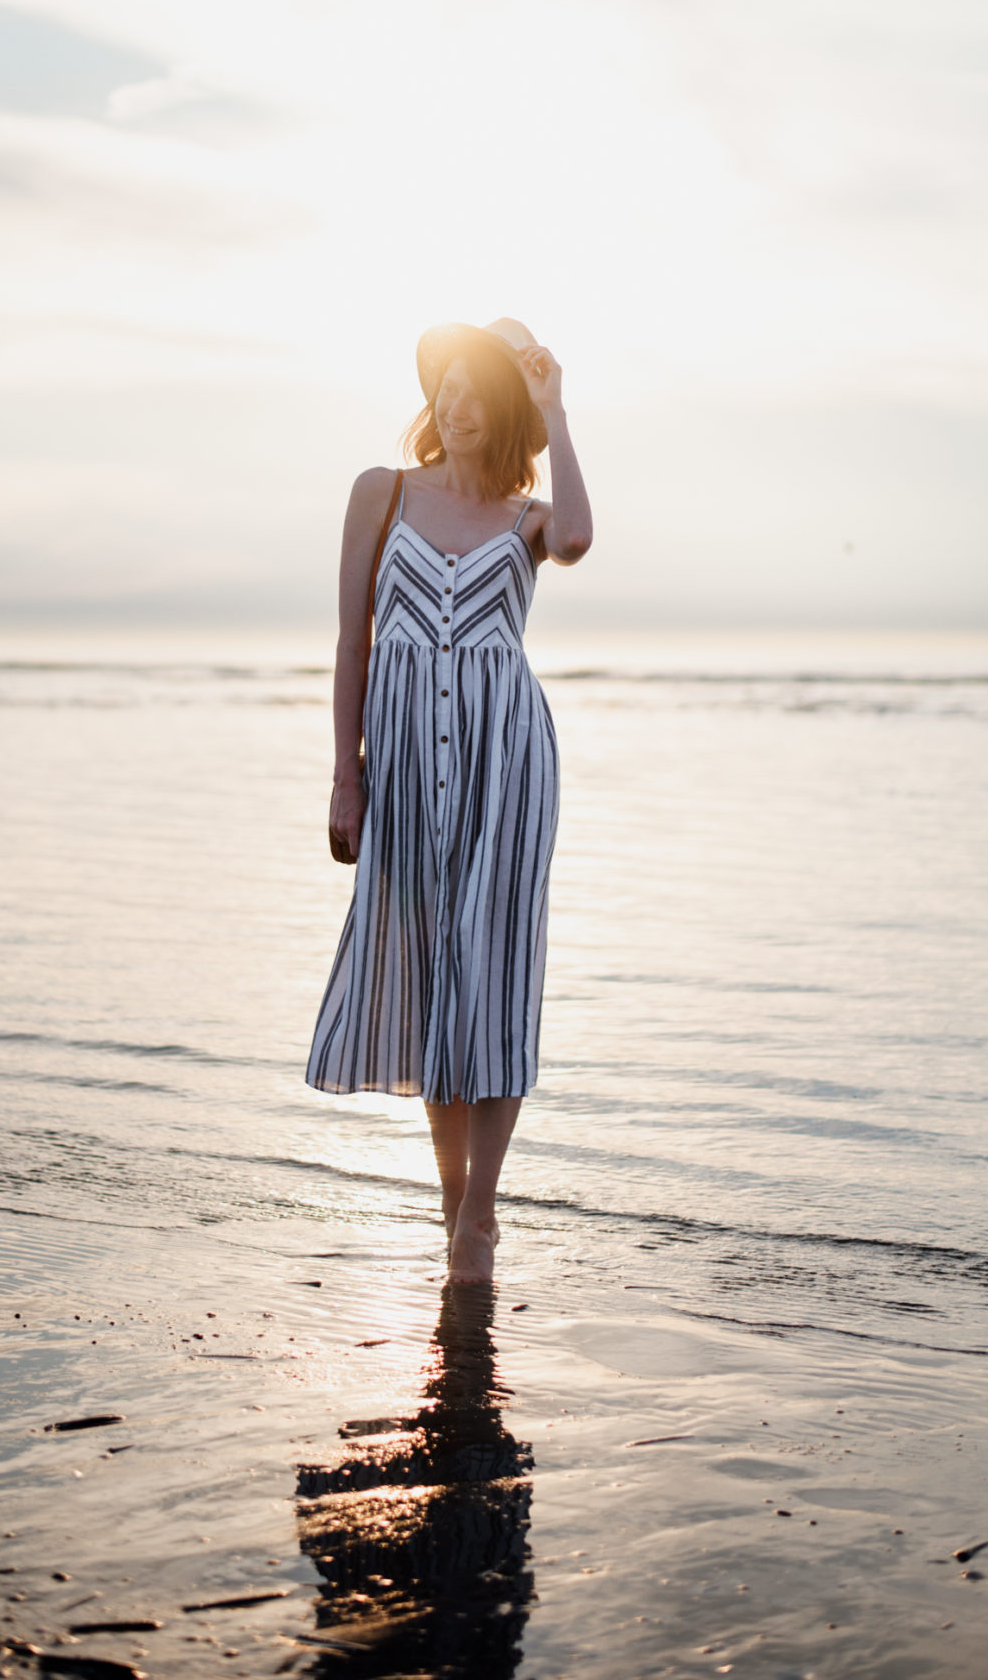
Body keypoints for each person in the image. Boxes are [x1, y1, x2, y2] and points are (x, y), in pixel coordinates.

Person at [306, 317, 593, 1284]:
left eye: (480, 391)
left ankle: (481, 1212)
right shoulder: (380, 496)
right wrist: (347, 776)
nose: (460, 406)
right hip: (400, 763)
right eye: (447, 388)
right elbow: (353, 642)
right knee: (433, 971)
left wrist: (556, 407)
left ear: (504, 408)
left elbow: (583, 536)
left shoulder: (528, 517)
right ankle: (448, 1201)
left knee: (492, 969)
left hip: (506, 764)